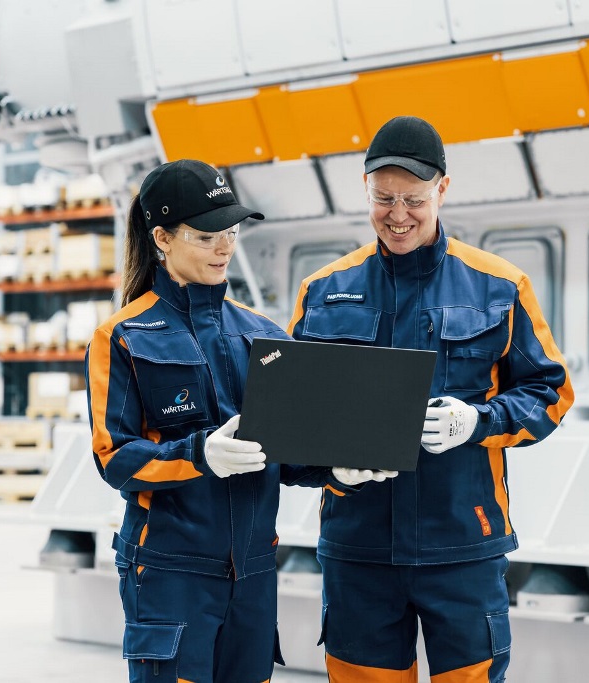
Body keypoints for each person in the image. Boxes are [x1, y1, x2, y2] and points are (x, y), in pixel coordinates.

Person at [288, 116, 575, 682]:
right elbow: (295, 425)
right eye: (383, 198)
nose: (398, 215)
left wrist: (479, 421)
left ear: (443, 188)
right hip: (358, 549)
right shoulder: (320, 294)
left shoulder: (499, 285)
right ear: (365, 190)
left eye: (414, 199)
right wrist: (332, 468)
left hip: (462, 547)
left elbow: (552, 394)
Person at [85, 158, 394, 683]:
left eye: (230, 233)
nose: (225, 248)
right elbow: (114, 458)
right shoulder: (123, 336)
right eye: (207, 237)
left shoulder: (263, 335)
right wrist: (197, 454)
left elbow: (288, 449)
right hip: (170, 572)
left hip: (253, 572)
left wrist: (333, 471)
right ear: (161, 236)